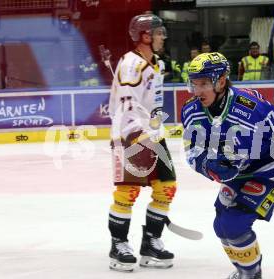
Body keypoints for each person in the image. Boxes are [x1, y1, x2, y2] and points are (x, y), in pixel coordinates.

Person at [181, 52, 274, 279]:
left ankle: (252, 275)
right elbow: (192, 151)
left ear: (221, 81)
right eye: (194, 84)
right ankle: (245, 271)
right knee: (220, 225)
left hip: (272, 169)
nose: (197, 90)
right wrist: (208, 166)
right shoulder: (191, 111)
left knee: (234, 225)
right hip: (240, 172)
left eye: (204, 83)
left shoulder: (249, 107)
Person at [107, 13, 177, 272]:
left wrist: (157, 126)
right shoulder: (130, 64)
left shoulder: (157, 64)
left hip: (154, 135)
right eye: (159, 33)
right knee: (129, 191)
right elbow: (127, 104)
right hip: (129, 135)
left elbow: (155, 102)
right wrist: (138, 135)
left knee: (167, 188)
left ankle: (150, 243)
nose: (162, 38)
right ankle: (118, 245)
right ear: (145, 36)